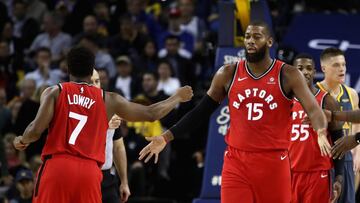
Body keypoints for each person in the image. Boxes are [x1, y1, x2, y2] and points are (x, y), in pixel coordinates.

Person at [139, 21, 329, 203]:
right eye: (247, 36)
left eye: (257, 36)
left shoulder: (287, 74)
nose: (250, 41)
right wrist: (165, 137)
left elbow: (313, 109)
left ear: (269, 42)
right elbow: (201, 111)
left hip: (273, 163)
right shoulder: (228, 73)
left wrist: (320, 131)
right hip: (236, 163)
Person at [12, 46, 193, 203]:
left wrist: (22, 140)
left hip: (57, 167)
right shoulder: (109, 99)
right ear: (92, 71)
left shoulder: (55, 92)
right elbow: (151, 113)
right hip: (89, 173)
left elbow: (35, 130)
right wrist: (176, 97)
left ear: (67, 68)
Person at [289, 53, 343, 203]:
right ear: (293, 72)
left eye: (308, 68)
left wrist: (339, 175)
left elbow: (339, 141)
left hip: (318, 174)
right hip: (288, 173)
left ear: (314, 71)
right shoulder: (284, 101)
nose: (305, 72)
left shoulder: (327, 101)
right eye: (300, 68)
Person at [316, 47, 360, 203]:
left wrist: (357, 152)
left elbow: (357, 123)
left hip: (345, 156)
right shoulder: (314, 93)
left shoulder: (351, 93)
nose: (341, 68)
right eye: (336, 65)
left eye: (344, 64)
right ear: (323, 68)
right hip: (322, 159)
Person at [91, 69, 130, 203]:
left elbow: (118, 147)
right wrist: (104, 125)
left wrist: (124, 181)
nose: (95, 86)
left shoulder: (109, 107)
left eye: (97, 81)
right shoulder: (76, 110)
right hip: (86, 176)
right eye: (91, 82)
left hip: (106, 177)